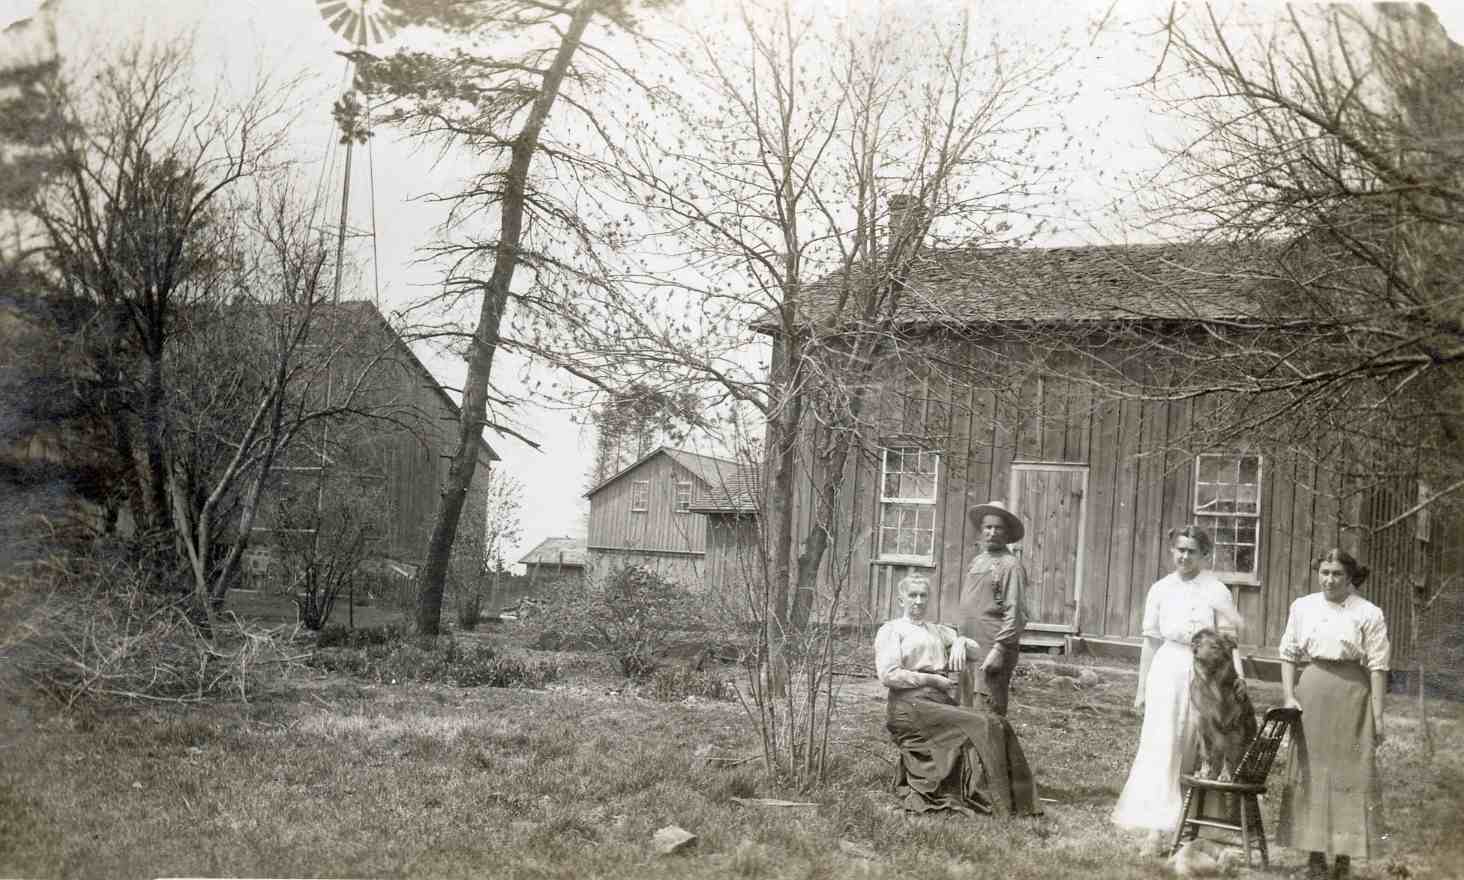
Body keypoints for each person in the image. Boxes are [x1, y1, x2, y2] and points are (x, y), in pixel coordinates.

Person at [1112, 525, 1246, 855]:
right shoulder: (1160, 589)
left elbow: (1231, 642)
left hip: (1207, 673)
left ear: (1205, 555)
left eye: (1192, 551)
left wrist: (1237, 679)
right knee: (1163, 743)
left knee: (1196, 744)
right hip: (1168, 668)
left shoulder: (1217, 591)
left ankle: (1191, 824)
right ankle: (1157, 829)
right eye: (1179, 550)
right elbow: (1150, 641)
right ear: (1172, 551)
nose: (1184, 556)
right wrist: (1141, 688)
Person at [874, 573, 1041, 817]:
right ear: (901, 600)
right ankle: (994, 802)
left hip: (937, 701)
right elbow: (889, 675)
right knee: (982, 723)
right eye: (912, 595)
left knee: (997, 722)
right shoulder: (892, 630)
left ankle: (1018, 801)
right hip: (909, 706)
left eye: (923, 596)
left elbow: (975, 653)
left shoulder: (936, 630)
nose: (918, 601)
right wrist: (931, 679)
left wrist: (961, 640)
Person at [1276, 549, 1390, 880]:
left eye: (1337, 573)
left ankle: (1343, 856)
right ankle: (1313, 854)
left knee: (1349, 775)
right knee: (1312, 772)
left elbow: (1379, 667)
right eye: (1324, 572)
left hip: (1353, 696)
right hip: (1311, 694)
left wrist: (1378, 715)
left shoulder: (1368, 613)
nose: (1329, 579)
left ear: (1350, 577)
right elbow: (1288, 654)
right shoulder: (1302, 606)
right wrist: (1288, 695)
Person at [956, 501, 1029, 716]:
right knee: (966, 707)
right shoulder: (977, 561)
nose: (992, 532)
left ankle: (991, 750)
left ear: (1007, 534)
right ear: (981, 530)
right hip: (968, 644)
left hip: (992, 646)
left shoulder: (1010, 565)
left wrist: (1000, 649)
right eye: (988, 527)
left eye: (998, 528)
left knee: (987, 710)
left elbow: (1016, 614)